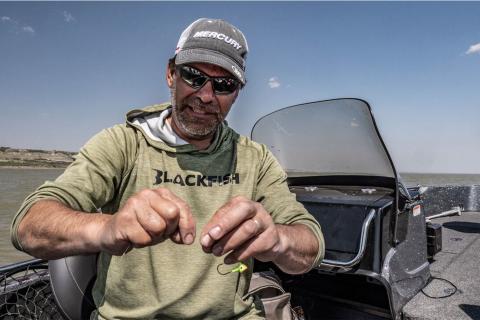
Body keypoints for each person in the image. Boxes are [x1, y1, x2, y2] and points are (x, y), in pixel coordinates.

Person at [10, 18, 324, 319]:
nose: (205, 96)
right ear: (171, 74)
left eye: (223, 84)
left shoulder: (254, 158)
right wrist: (108, 228)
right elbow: (29, 225)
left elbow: (310, 245)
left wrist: (278, 240)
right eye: (194, 76)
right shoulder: (123, 144)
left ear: (237, 93)